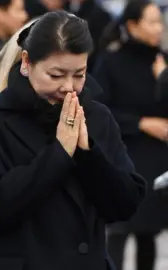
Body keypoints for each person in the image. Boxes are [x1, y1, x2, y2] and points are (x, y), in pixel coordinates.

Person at [0, 10, 146, 270]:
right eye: (56, 75)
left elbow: (125, 204)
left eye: (79, 74)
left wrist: (87, 154)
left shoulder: (97, 116)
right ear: (26, 62)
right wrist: (59, 153)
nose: (69, 86)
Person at [93, 1, 168, 269]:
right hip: (125, 156)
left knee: (149, 232)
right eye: (152, 22)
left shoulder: (162, 62)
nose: (159, 28)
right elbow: (99, 108)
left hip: (158, 161)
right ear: (133, 25)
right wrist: (140, 123)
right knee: (119, 230)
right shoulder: (111, 61)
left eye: (160, 22)